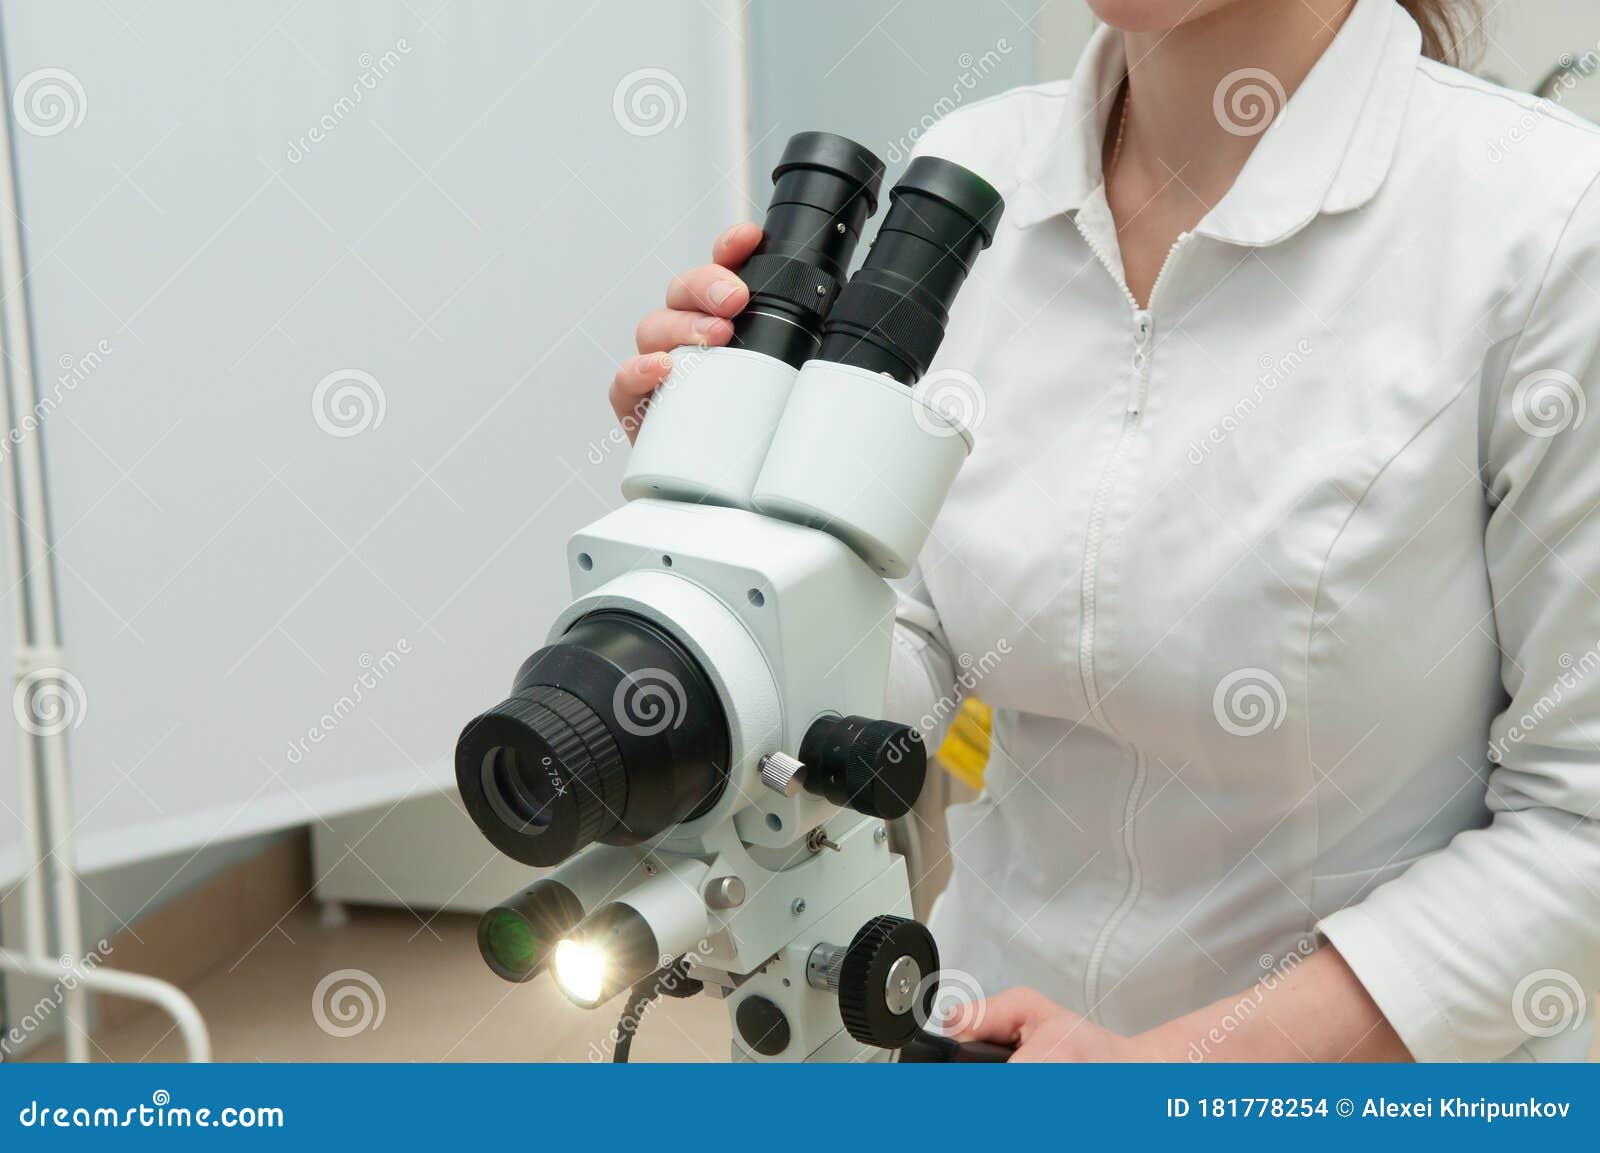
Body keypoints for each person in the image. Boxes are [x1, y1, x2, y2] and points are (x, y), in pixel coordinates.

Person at [610, 0, 1600, 1061]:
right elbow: (912, 656)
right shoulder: (978, 171)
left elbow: (1578, 826)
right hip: (970, 1037)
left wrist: (1170, 1074)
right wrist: (737, 544)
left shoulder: (1546, 225)